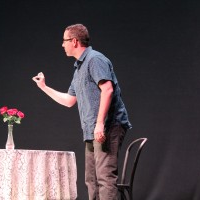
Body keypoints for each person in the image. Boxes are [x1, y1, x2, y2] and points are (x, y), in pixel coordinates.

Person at [32, 24, 132, 200]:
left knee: (105, 178)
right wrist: (44, 87)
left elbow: (107, 90)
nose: (62, 45)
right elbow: (69, 101)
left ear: (74, 41)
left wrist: (100, 123)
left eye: (64, 41)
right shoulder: (79, 68)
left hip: (108, 126)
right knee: (91, 180)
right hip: (91, 129)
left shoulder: (94, 59)